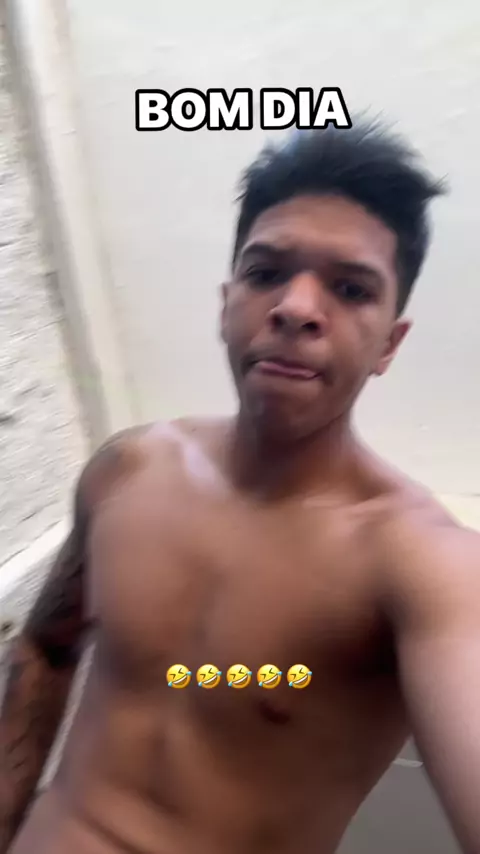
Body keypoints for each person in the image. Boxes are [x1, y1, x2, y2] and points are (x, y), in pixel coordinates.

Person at [1, 116, 480, 854]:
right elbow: (45, 649)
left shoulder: (421, 565)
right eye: (265, 273)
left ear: (390, 343)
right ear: (227, 303)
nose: (297, 307)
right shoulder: (128, 470)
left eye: (350, 288)